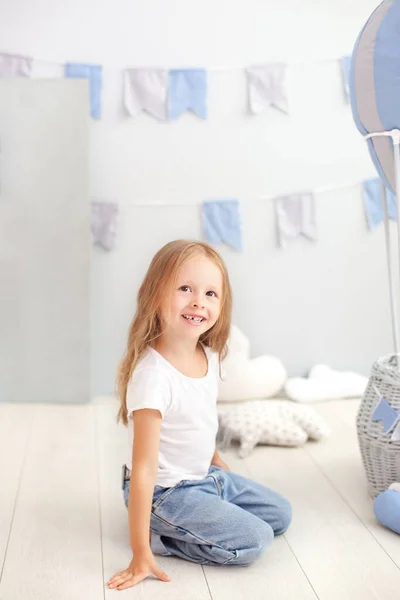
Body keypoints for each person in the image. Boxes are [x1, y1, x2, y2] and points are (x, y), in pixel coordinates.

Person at [107, 239, 292, 591]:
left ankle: (193, 515)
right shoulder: (153, 377)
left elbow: (199, 421)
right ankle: (159, 537)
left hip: (203, 477)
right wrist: (139, 551)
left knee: (281, 515)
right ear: (154, 294)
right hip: (166, 491)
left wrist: (216, 461)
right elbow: (144, 468)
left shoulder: (209, 356)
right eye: (185, 289)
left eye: (210, 294)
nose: (198, 302)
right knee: (255, 540)